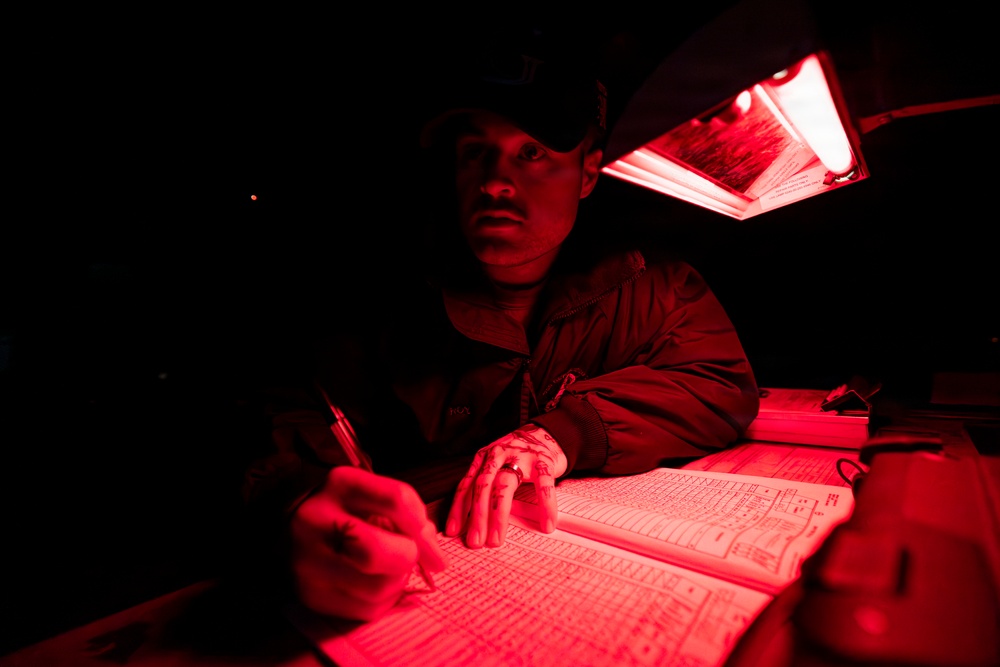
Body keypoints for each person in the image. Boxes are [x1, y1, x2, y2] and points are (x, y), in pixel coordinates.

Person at [236, 33, 760, 624]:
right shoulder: (376, 305)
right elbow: (279, 429)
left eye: (531, 152)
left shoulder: (652, 284)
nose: (493, 183)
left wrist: (564, 432)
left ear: (588, 173)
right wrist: (294, 505)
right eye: (474, 152)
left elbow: (718, 379)